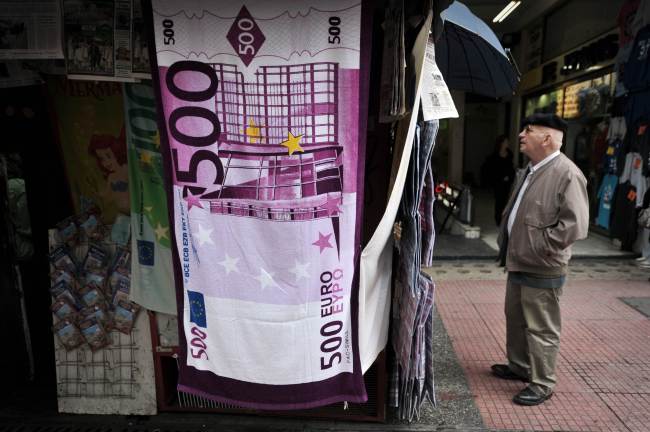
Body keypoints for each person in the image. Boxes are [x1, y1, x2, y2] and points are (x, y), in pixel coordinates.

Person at [493, 113, 589, 406]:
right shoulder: (531, 169)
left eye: (529, 130)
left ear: (547, 138)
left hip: (542, 263)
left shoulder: (567, 173)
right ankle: (520, 367)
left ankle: (543, 383)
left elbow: (575, 225)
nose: (521, 135)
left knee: (541, 326)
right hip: (520, 259)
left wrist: (541, 246)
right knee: (516, 318)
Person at [485, 134, 515, 226]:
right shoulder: (495, 155)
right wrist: (500, 178)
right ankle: (498, 219)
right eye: (505, 142)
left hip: (507, 182)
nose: (507, 144)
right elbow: (493, 170)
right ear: (501, 143)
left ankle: (505, 219)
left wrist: (510, 177)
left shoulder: (509, 154)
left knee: (506, 200)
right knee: (499, 201)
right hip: (498, 182)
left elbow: (510, 167)